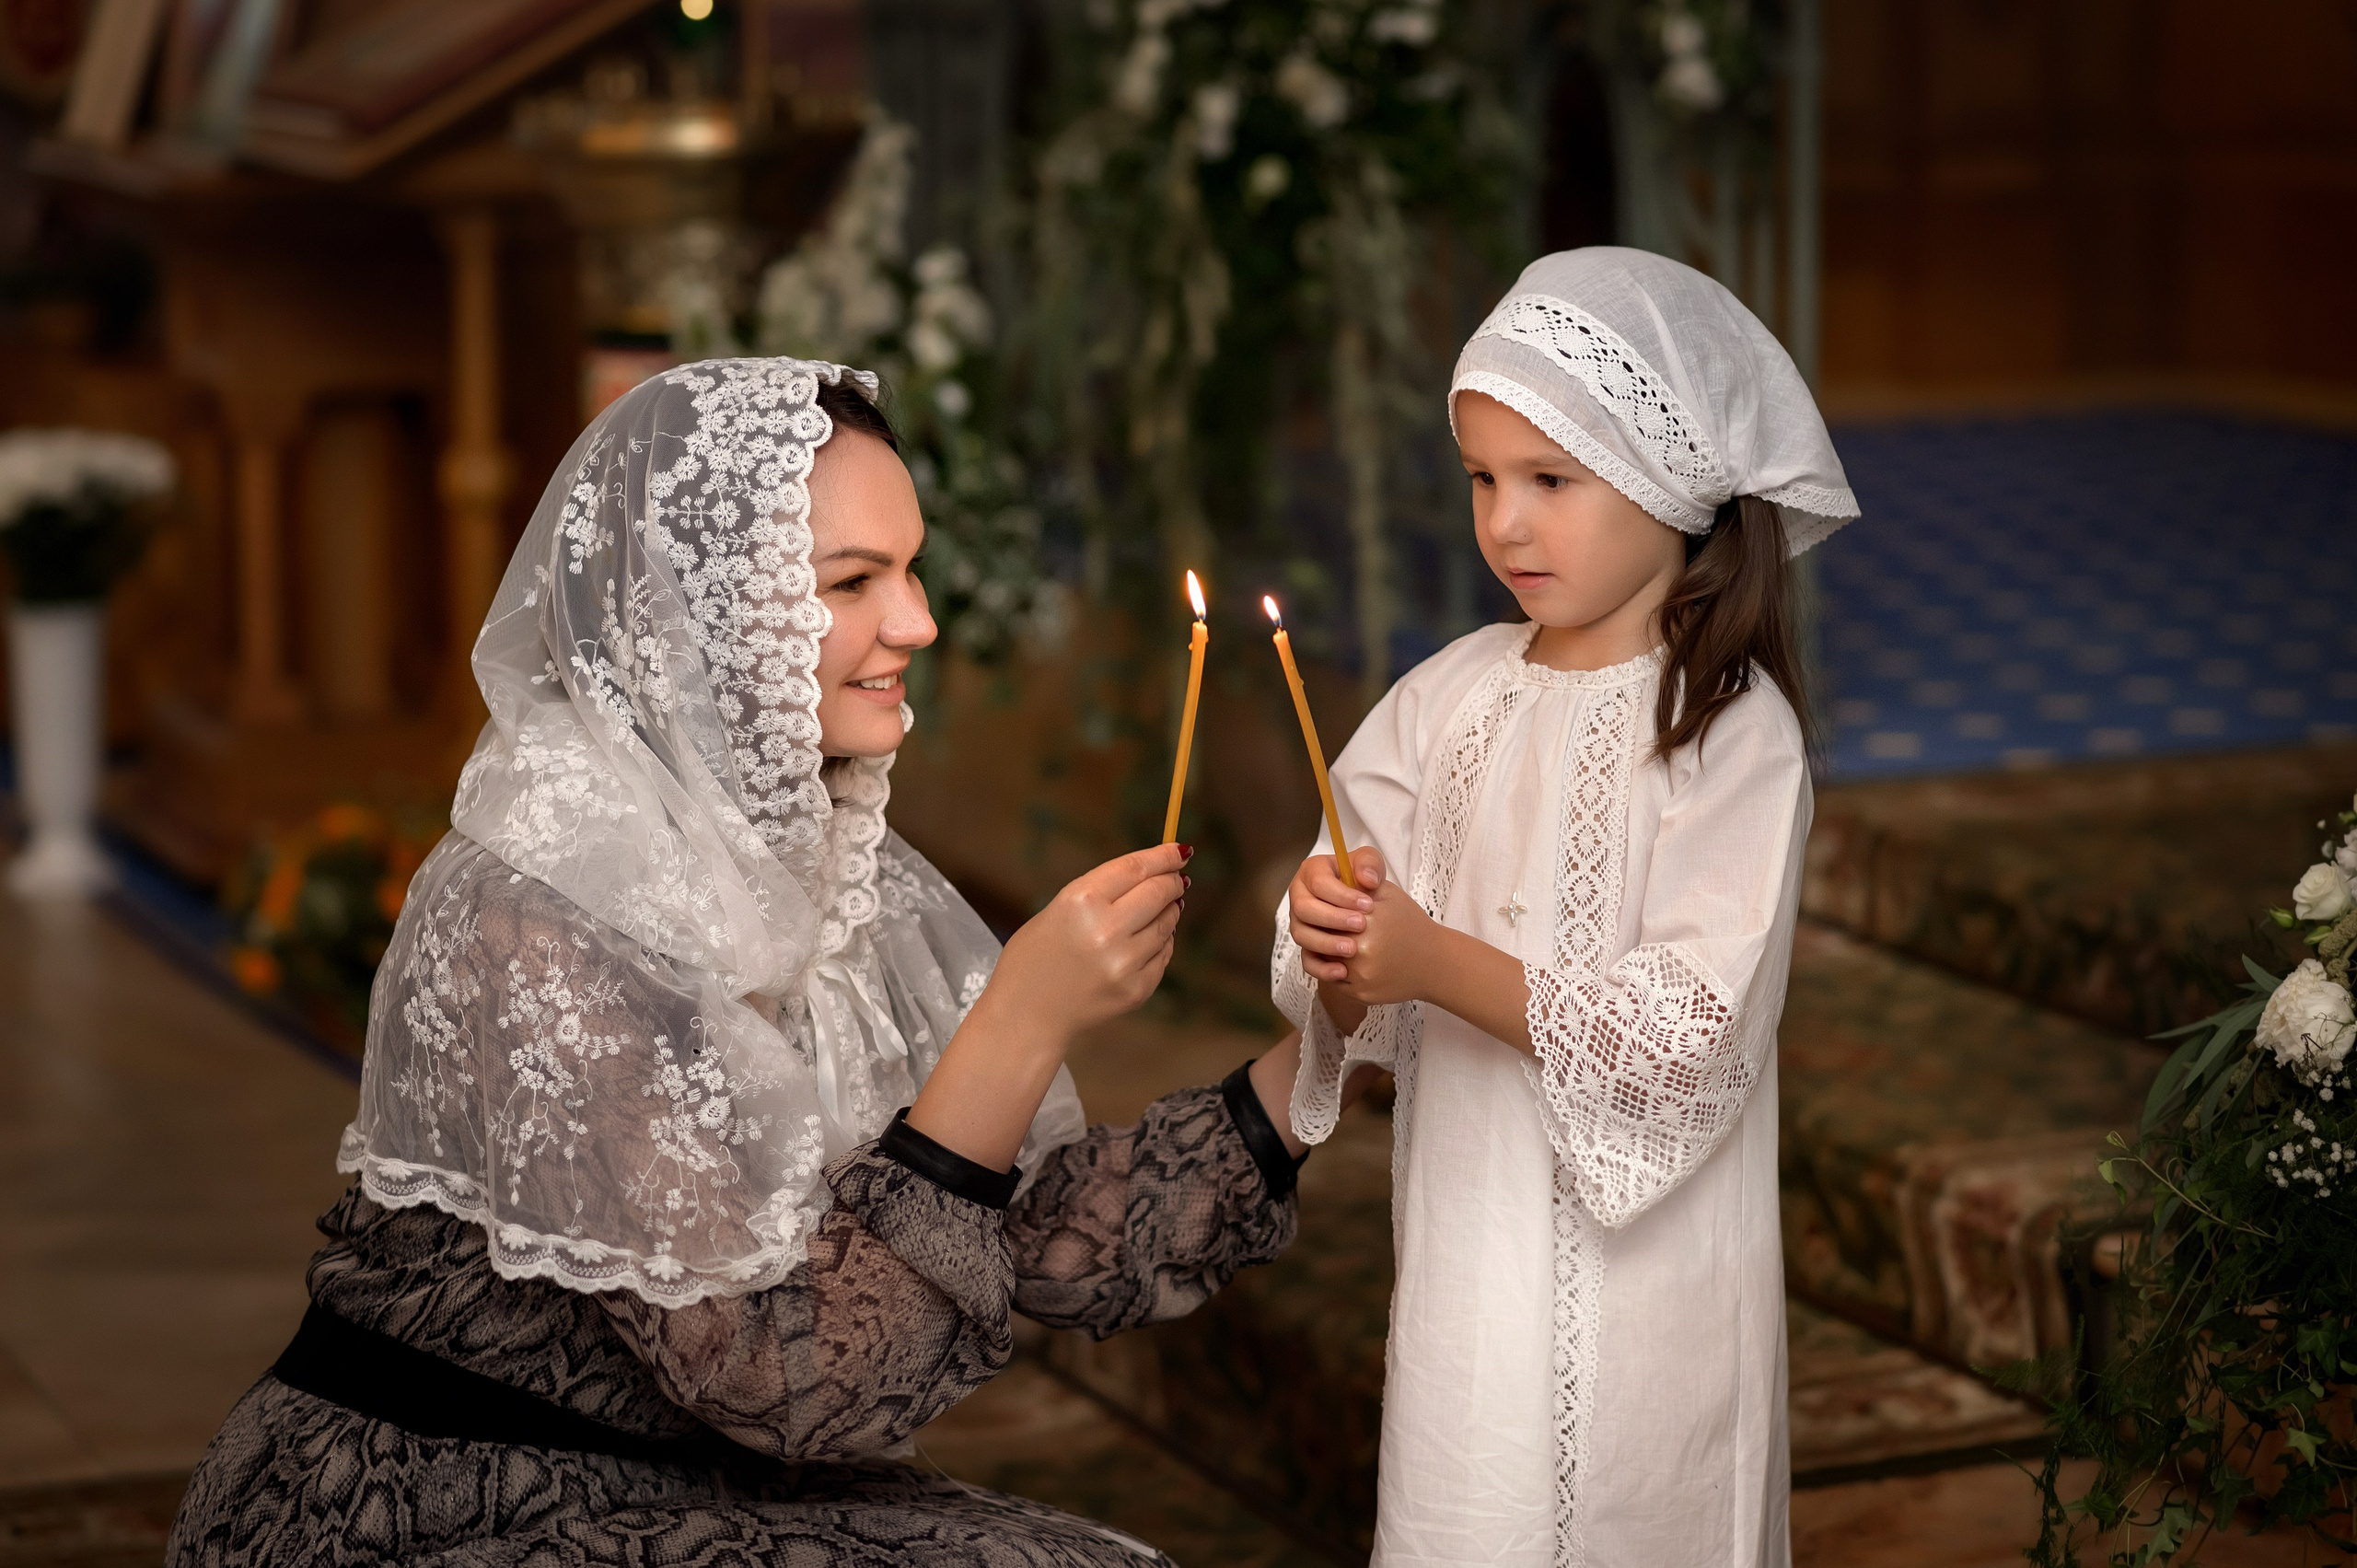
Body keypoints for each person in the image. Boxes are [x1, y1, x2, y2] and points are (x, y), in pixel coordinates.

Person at [168, 357, 1336, 1568]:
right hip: (430, 1493)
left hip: (683, 1473)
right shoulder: (541, 908)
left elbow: (1041, 1237)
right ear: (706, 614)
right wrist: (1020, 1022)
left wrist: (1320, 1056)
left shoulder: (832, 868)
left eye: (912, 566)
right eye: (854, 581)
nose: (919, 621)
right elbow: (793, 1386)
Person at [1275, 248, 1861, 1568]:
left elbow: (1688, 1030)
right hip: (1473, 1245)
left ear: (1673, 484)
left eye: (1553, 481)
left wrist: (1432, 957)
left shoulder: (1728, 732)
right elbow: (1346, 971)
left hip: (1656, 1288)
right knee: (1470, 1501)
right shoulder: (1444, 700)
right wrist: (1335, 946)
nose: (1506, 524)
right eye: (1483, 479)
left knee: (1639, 1505)